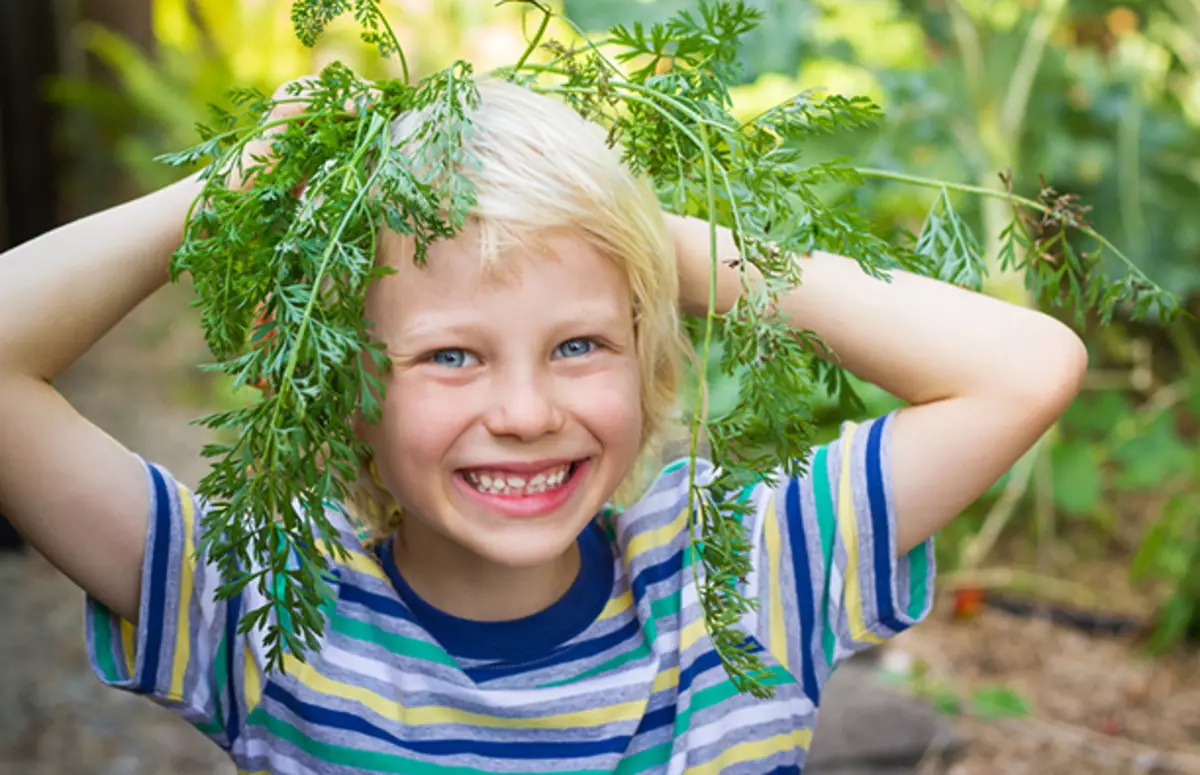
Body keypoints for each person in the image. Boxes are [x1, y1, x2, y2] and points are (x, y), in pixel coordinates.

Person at [0, 75, 1086, 773]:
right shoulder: (264, 605)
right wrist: (227, 194)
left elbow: (1027, 368)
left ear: (650, 356)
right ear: (342, 385)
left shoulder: (740, 584)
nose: (525, 414)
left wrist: (657, 244)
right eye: (450, 355)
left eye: (579, 344)